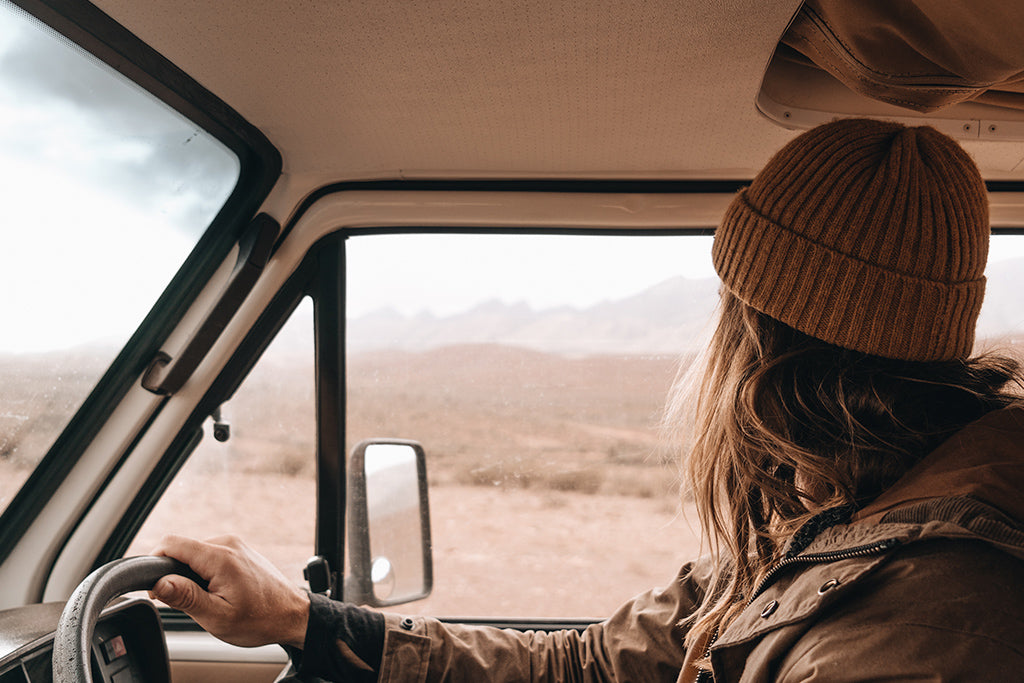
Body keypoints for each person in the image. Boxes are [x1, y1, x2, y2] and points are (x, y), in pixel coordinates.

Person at [151, 118, 1024, 681]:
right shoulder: (830, 521)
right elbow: (592, 662)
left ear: (759, 336)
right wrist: (300, 617)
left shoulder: (925, 618)